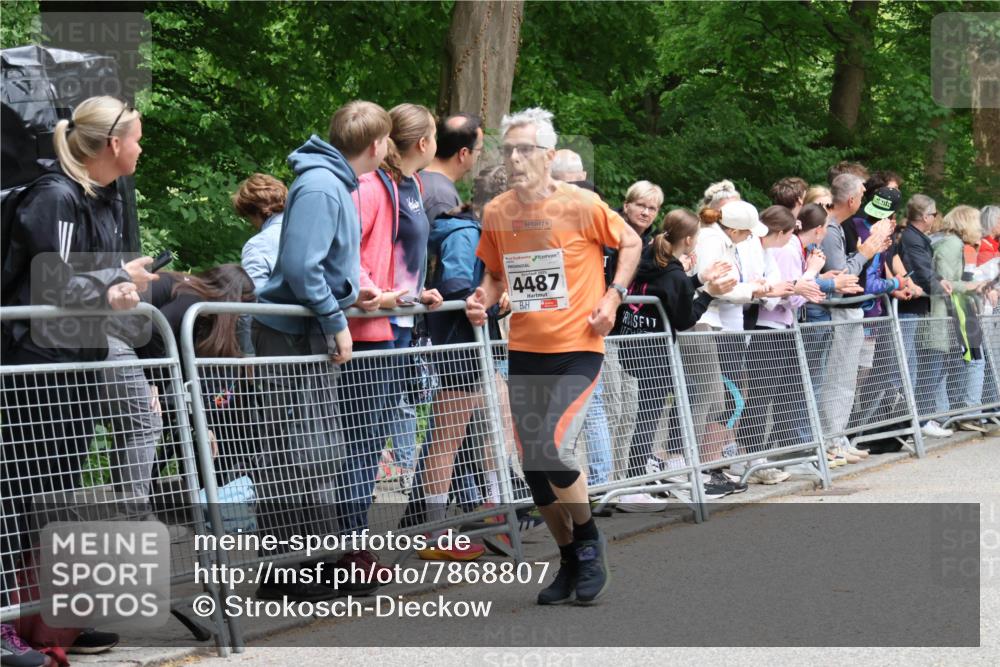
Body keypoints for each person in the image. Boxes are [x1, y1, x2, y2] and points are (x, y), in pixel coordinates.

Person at [465, 107, 642, 605]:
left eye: (525, 150)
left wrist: (613, 297)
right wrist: (482, 297)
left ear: (547, 154)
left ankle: (587, 541)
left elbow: (630, 241)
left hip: (577, 349)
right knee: (533, 465)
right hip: (524, 348)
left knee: (555, 449)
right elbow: (495, 275)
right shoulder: (498, 211)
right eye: (508, 150)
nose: (515, 158)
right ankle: (568, 559)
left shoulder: (581, 204)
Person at [1, 95, 156, 661]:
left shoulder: (101, 197)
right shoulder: (56, 196)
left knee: (57, 494)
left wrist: (120, 285)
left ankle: (51, 620)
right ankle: (6, 624)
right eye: (137, 138)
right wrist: (113, 278)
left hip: (77, 365)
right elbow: (51, 287)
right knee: (23, 495)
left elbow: (82, 285)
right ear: (113, 145)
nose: (141, 149)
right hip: (38, 367)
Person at [251, 100, 391, 602]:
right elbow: (300, 266)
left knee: (312, 451)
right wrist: (339, 321)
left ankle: (307, 565)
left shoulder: (331, 182)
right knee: (295, 452)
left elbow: (323, 269)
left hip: (303, 332)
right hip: (291, 335)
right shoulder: (321, 186)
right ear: (376, 146)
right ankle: (288, 572)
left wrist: (353, 293)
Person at [611, 209, 736, 509]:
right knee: (647, 418)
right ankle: (635, 482)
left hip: (632, 346)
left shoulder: (646, 260)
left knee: (647, 413)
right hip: (656, 355)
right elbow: (683, 318)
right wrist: (708, 294)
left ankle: (645, 475)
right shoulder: (673, 273)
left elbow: (668, 294)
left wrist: (697, 280)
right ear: (689, 240)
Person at [733, 205, 826, 482]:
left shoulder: (769, 250)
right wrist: (810, 274)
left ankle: (756, 455)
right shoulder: (779, 249)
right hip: (765, 328)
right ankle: (749, 455)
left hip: (777, 325)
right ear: (783, 232)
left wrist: (793, 285)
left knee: (770, 394)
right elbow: (787, 296)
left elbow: (782, 290)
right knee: (759, 396)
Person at [811, 173, 892, 466]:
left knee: (843, 380)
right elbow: (842, 274)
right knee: (834, 380)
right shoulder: (831, 229)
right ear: (852, 199)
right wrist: (867, 250)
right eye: (861, 194)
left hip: (847, 311)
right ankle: (829, 441)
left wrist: (872, 251)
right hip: (834, 313)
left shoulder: (839, 226)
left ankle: (837, 438)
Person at [551, 151, 613, 487]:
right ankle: (593, 484)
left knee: (576, 410)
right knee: (585, 408)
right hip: (574, 327)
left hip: (578, 328)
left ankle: (586, 485)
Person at [895, 194, 953, 437]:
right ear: (925, 217)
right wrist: (939, 287)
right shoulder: (912, 238)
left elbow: (927, 269)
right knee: (907, 365)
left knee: (914, 364)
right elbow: (919, 268)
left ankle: (916, 421)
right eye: (934, 214)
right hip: (909, 307)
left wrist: (940, 280)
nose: (935, 218)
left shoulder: (917, 237)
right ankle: (910, 422)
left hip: (917, 307)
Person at [929, 206, 989, 430]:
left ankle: (951, 414)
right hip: (954, 310)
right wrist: (972, 286)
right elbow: (944, 282)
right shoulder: (951, 244)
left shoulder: (948, 242)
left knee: (952, 363)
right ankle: (966, 413)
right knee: (973, 360)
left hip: (956, 309)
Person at [234, 173, 287, 292]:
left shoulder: (257, 245)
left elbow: (255, 302)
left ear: (255, 212)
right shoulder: (312, 233)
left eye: (248, 217)